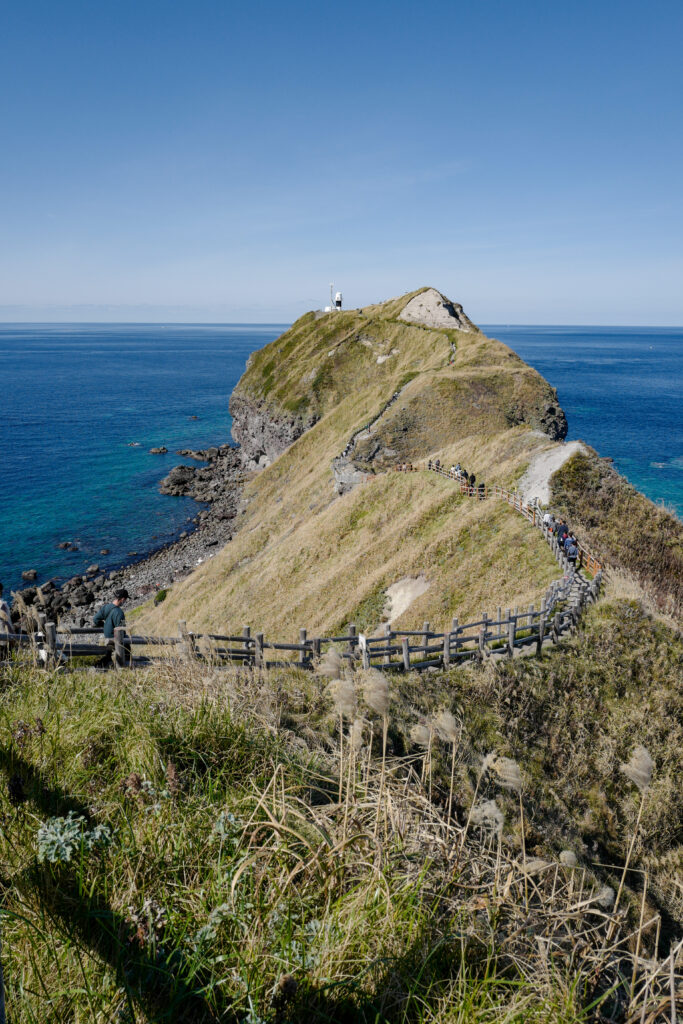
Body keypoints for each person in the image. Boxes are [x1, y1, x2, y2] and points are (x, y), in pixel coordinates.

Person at [94, 589, 130, 665]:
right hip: (115, 639)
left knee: (108, 656)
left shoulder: (106, 607)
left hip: (106, 637)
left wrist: (104, 625)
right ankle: (125, 666)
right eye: (125, 600)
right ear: (123, 599)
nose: (125, 602)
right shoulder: (119, 613)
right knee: (127, 649)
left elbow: (95, 619)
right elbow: (121, 630)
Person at [0, 583, 12, 659]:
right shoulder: (2, 605)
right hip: (5, 639)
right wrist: (13, 638)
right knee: (8, 661)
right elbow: (7, 623)